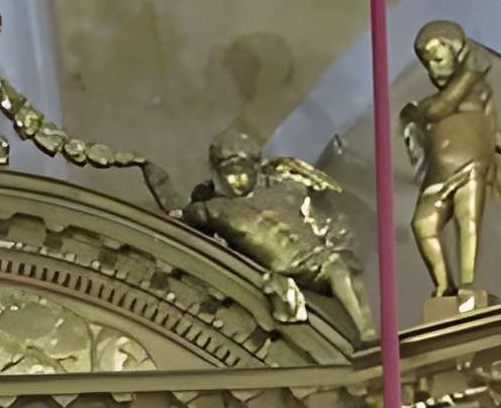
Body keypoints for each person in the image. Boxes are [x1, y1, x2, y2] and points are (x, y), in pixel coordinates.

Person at [146, 139, 376, 344]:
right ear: (218, 175)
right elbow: (176, 213)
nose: (238, 179)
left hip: (316, 256)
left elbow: (323, 214)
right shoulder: (214, 210)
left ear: (255, 168)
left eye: (243, 170)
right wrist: (146, 166)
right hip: (285, 268)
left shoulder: (283, 189)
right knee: (337, 271)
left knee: (339, 268)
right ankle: (363, 333)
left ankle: (366, 332)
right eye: (229, 172)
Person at [401, 21, 501, 299]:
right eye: (427, 63)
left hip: (470, 168)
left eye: (439, 60)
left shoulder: (479, 93)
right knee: (423, 225)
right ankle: (444, 284)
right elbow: (440, 109)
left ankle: (466, 283)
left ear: (456, 54)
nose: (433, 69)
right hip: (438, 176)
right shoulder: (427, 105)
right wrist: (472, 72)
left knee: (468, 224)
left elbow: (490, 133)